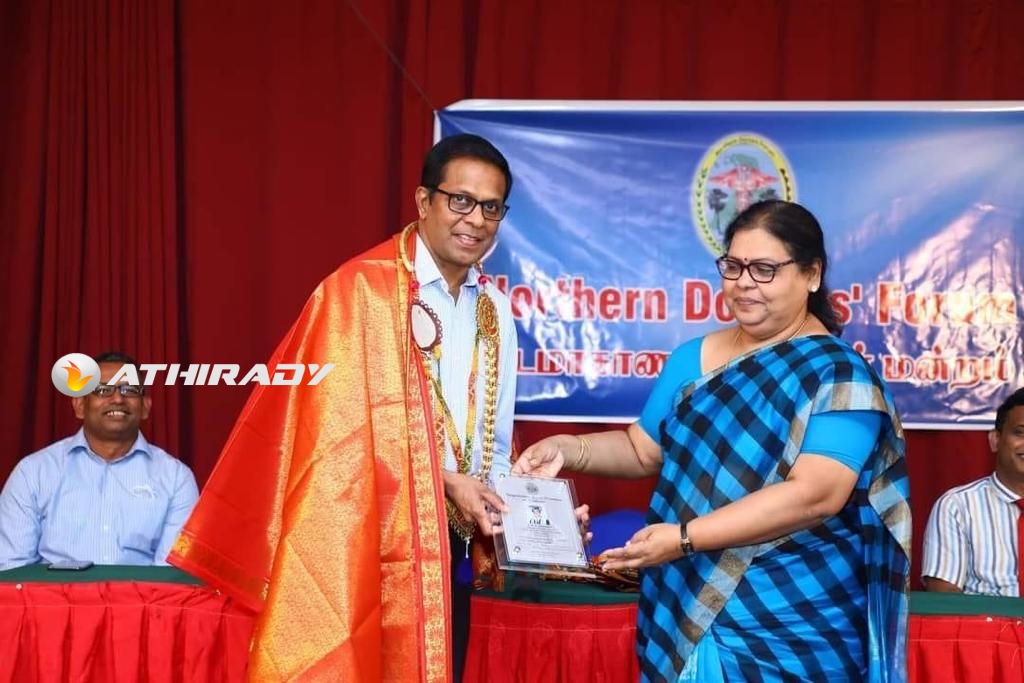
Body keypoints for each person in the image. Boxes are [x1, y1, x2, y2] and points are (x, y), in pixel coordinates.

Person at [169, 134, 519, 682]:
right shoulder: (359, 291)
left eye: (491, 207)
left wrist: (526, 513)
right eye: (461, 200)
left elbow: (493, 443)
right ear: (423, 201)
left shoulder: (495, 310)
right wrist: (443, 481)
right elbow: (333, 445)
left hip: (456, 543)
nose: (475, 219)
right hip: (360, 537)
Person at [514, 200, 910, 682]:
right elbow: (641, 449)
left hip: (795, 623)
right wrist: (567, 448)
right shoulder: (692, 359)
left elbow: (816, 495)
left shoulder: (840, 374)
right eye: (734, 266)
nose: (744, 282)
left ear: (811, 274)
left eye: (764, 269)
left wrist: (683, 539)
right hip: (685, 604)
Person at [0, 351, 199, 571]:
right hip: (55, 594)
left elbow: (171, 575)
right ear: (80, 405)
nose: (118, 399)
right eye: (103, 390)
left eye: (129, 390)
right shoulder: (34, 472)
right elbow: (12, 567)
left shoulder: (176, 478)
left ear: (145, 407)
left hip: (142, 594)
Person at [921, 388, 1024, 596]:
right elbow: (944, 601)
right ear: (995, 440)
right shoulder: (957, 506)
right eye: (1020, 432)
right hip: (987, 618)